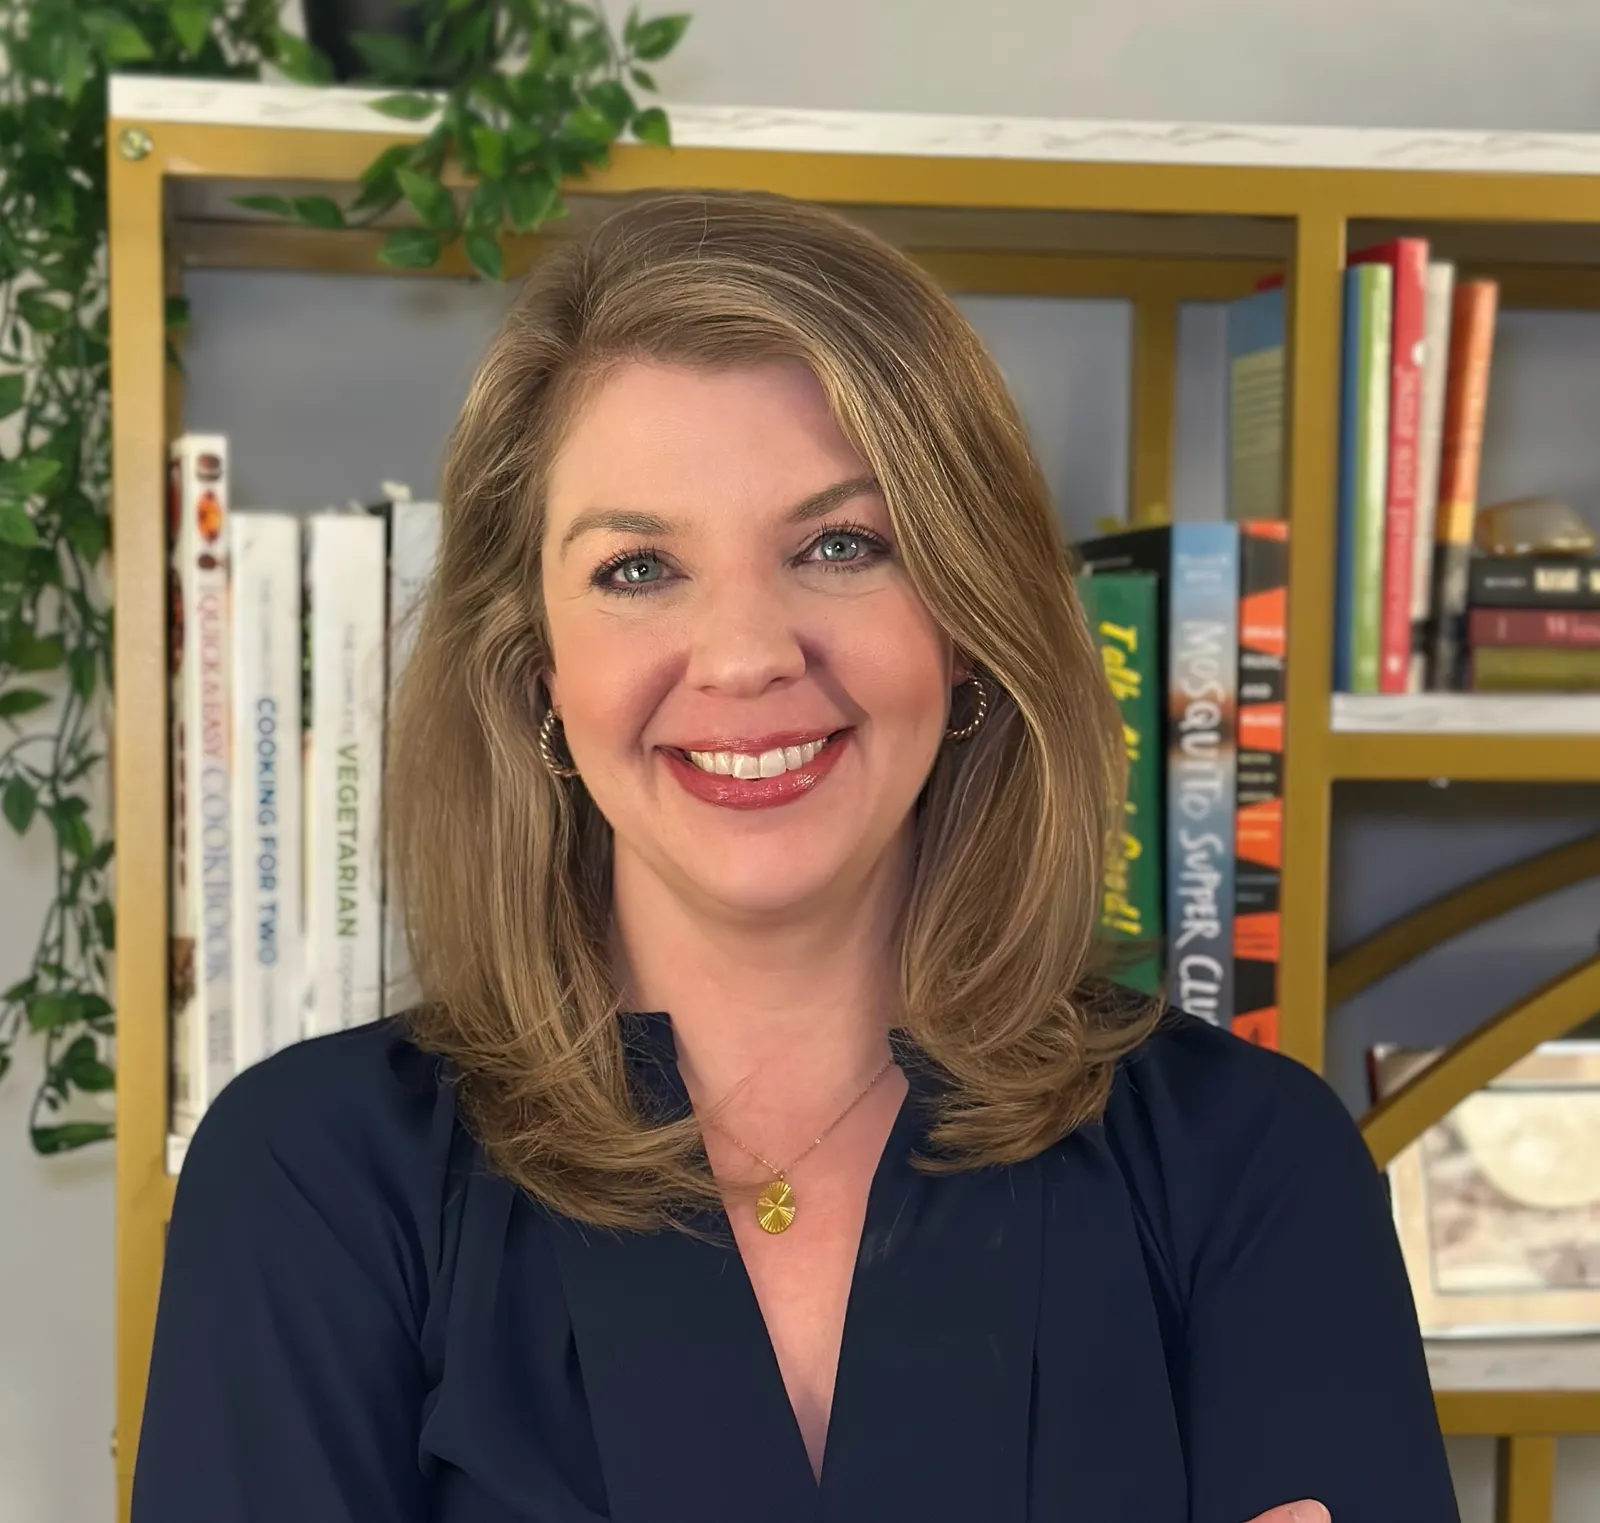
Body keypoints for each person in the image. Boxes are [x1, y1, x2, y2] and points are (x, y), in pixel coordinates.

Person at [131, 188, 1459, 1523]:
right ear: (535, 666)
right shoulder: (310, 1184)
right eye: (639, 567)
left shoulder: (1249, 1164)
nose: (749, 652)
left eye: (841, 544)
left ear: (971, 623)